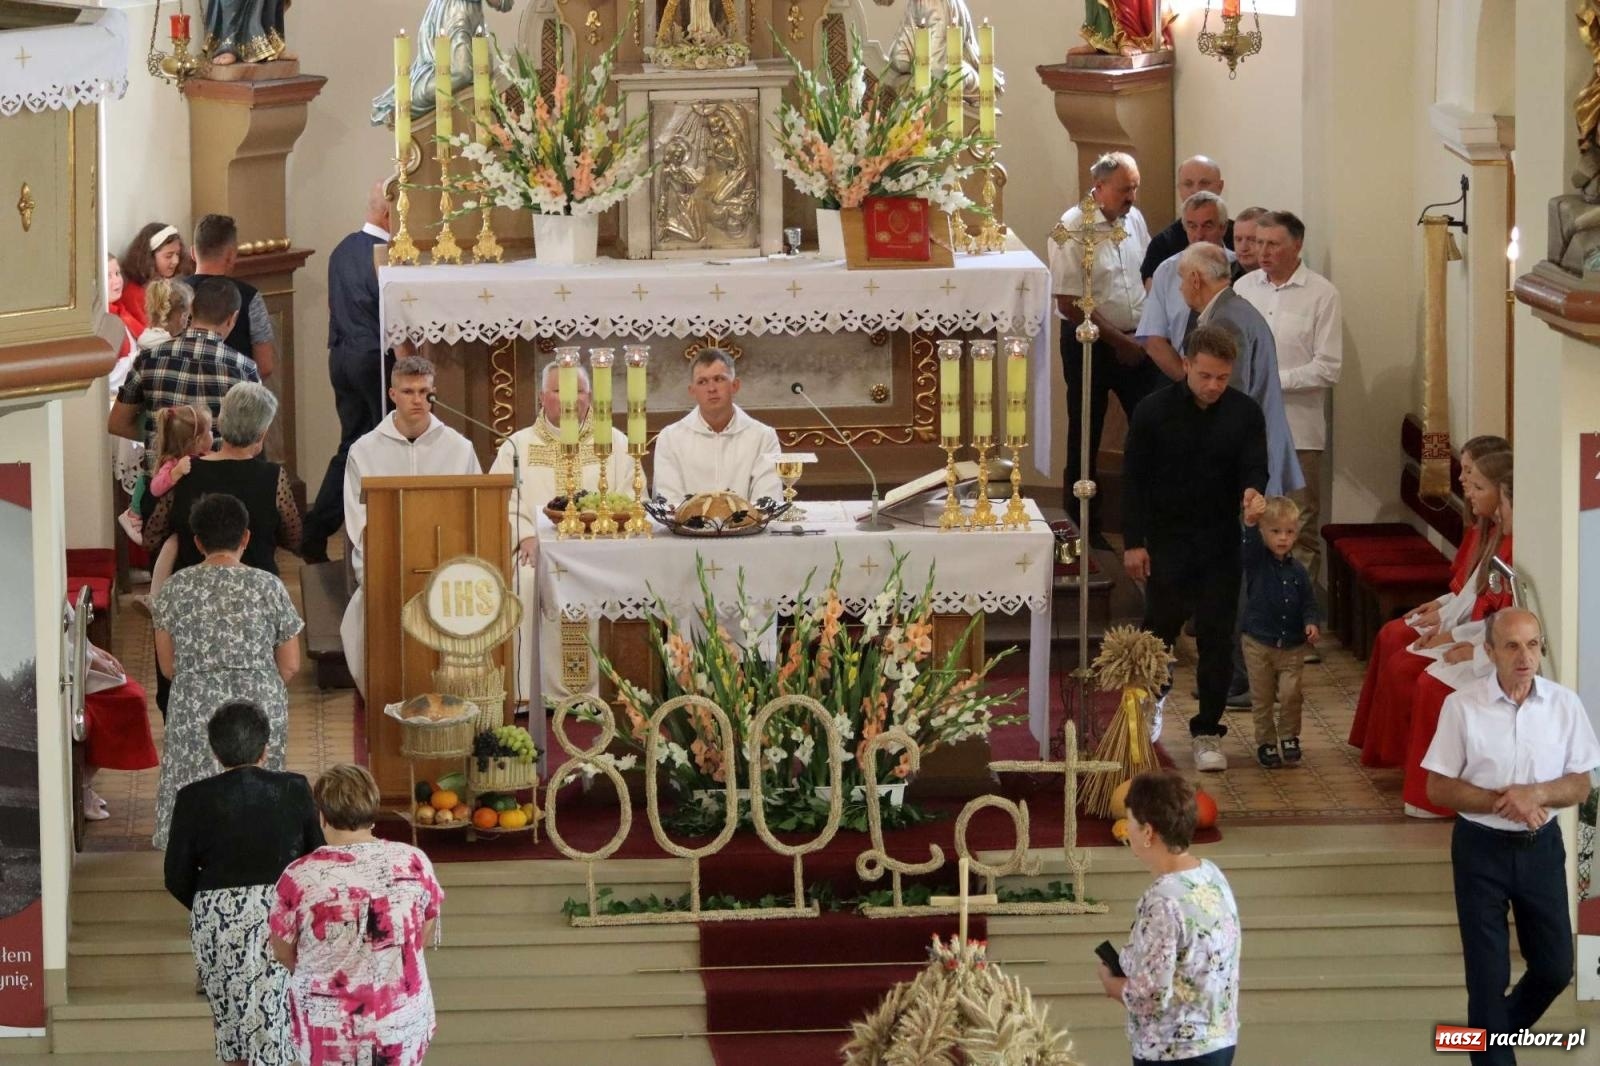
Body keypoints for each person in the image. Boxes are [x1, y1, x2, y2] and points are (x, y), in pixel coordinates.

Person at [1422, 608, 1600, 1066]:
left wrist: (1535, 794)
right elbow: (1437, 787)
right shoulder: (1461, 706)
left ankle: (1487, 1040)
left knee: (1555, 967)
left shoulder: (1564, 705)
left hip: (1541, 850)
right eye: (1512, 646)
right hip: (1480, 849)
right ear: (1489, 652)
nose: (1525, 657)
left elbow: (1581, 784)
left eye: (1533, 645)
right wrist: (1505, 802)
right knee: (1487, 978)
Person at [1122, 325, 1267, 772]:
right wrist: (1133, 543)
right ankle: (1147, 712)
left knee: (1217, 638)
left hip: (1220, 542)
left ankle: (1207, 731)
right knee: (1158, 633)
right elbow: (1133, 482)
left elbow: (1255, 466)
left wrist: (1253, 493)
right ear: (1186, 365)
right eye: (1205, 375)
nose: (1214, 386)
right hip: (1167, 540)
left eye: (1222, 377)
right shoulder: (1152, 411)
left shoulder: (1245, 413)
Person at [164, 700, 322, 1066]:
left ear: (215, 751)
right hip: (280, 914)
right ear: (266, 747)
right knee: (280, 1022)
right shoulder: (294, 787)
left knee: (232, 1026)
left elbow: (175, 875)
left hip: (218, 919)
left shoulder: (192, 798)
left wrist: (210, 903)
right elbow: (315, 858)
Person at [151, 493, 303, 848]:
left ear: (197, 542)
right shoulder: (269, 585)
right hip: (258, 703)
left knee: (194, 790)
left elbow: (168, 666)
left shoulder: (175, 588)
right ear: (246, 537)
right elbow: (291, 664)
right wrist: (256, 681)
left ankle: (196, 855)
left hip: (194, 703)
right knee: (259, 787)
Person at [1349, 445, 1513, 768]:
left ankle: (1415, 765)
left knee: (1409, 664)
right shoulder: (1488, 532)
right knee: (1393, 638)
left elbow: (1492, 613)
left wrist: (1450, 635)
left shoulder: (1509, 544)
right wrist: (1440, 609)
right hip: (1468, 631)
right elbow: (1468, 594)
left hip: (1479, 642)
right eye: (1465, 473)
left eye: (1474, 479)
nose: (1464, 483)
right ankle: (1386, 749)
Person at [269, 764, 444, 1066]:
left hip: (329, 1029)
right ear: (373, 809)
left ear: (322, 816)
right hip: (399, 1022)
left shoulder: (298, 877)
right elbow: (422, 932)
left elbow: (283, 951)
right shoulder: (414, 862)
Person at [489, 360, 632, 703]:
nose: (570, 399)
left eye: (578, 391)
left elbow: (628, 498)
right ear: (542, 397)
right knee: (523, 583)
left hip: (600, 551)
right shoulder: (517, 446)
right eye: (559, 390)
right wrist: (525, 535)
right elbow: (501, 502)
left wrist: (605, 535)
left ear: (590, 397)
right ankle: (529, 693)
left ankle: (607, 692)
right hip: (537, 552)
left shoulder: (614, 443)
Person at [339, 357, 481, 694]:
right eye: (408, 391)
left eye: (423, 392)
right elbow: (359, 521)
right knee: (373, 599)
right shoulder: (365, 450)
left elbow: (475, 508)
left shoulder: (459, 448)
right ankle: (385, 689)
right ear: (392, 394)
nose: (417, 399)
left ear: (434, 393)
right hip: (387, 557)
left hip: (446, 558)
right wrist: (391, 555)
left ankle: (450, 690)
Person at [1049, 151, 1158, 549]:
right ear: (1098, 187)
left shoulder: (1134, 219)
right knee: (1085, 434)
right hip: (1089, 344)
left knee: (1151, 428)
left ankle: (1145, 526)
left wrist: (1146, 332)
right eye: (1125, 189)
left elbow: (1146, 274)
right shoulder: (1070, 228)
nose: (1132, 197)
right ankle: (1082, 529)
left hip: (1137, 341)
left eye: (1135, 188)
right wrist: (1119, 341)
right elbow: (1068, 301)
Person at [1098, 769, 1240, 1066]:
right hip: (1219, 1039)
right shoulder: (1210, 873)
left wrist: (1112, 985)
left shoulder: (1163, 899)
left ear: (1148, 832)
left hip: (1175, 1050)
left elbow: (1150, 996)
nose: (1128, 830)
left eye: (1131, 822)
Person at [1402, 461, 1516, 817]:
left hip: (1498, 657)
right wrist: (1454, 633)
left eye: (1504, 504)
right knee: (1423, 672)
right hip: (1483, 641)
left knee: (1433, 685)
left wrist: (1474, 651)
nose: (1499, 512)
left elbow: (1509, 622)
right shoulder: (1500, 540)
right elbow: (1477, 601)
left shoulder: (1520, 551)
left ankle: (1446, 797)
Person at [1235, 211, 1342, 580]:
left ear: (1297, 245)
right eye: (1258, 242)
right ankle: (1255, 604)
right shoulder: (1244, 288)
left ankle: (1296, 604)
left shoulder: (1321, 294)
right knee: (1250, 519)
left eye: (1273, 244)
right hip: (1249, 428)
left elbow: (1328, 367)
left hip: (1299, 431)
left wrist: (1271, 380)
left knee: (1298, 524)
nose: (1262, 251)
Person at [300, 181, 396, 564]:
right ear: (389, 213)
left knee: (352, 446)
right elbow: (394, 311)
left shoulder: (342, 249)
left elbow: (332, 305)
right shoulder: (387, 255)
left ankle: (316, 530)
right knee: (384, 445)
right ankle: (380, 533)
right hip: (374, 359)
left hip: (341, 356)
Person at [144, 381, 301, 577]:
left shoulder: (183, 470)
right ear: (262, 434)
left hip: (193, 588)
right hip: (256, 588)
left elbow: (152, 538)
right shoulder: (273, 476)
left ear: (221, 422)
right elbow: (293, 538)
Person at [108, 277, 260, 464]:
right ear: (232, 318)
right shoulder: (244, 368)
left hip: (163, 478)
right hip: (220, 478)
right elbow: (254, 441)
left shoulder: (149, 359)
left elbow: (117, 423)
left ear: (192, 311)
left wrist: (161, 438)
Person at [1240, 494, 1319, 768]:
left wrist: (1311, 622)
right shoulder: (1257, 562)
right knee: (1262, 697)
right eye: (1275, 531)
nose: (1283, 538)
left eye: (1289, 532)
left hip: (1292, 645)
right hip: (1258, 643)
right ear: (1263, 532)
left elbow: (1308, 602)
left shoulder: (1298, 571)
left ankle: (1288, 736)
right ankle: (1266, 741)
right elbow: (1249, 547)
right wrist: (1250, 523)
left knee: (1290, 693)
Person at [652, 348, 782, 506]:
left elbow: (767, 499)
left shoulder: (763, 437)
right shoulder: (670, 438)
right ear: (692, 391)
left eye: (719, 379)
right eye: (702, 382)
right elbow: (669, 501)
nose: (711, 389)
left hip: (748, 523)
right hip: (687, 523)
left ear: (735, 385)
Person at [1136, 192, 1237, 380]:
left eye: (1208, 226)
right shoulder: (1167, 271)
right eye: (1192, 226)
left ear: (1223, 228)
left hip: (1231, 380)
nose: (1199, 235)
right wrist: (1190, 383)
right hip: (1179, 376)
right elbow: (1152, 339)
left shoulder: (1239, 269)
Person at [124, 403, 213, 593]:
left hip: (195, 518)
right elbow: (155, 488)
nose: (213, 436)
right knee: (170, 549)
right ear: (198, 440)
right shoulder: (172, 463)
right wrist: (175, 473)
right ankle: (156, 595)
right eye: (209, 432)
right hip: (172, 524)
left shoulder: (207, 457)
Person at [184, 213, 276, 378]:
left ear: (192, 252)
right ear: (231, 255)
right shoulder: (250, 298)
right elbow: (265, 366)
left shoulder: (174, 293)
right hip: (236, 389)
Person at [1139, 156, 1233, 285]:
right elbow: (1154, 292)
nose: (1196, 190)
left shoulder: (1239, 236)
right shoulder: (1162, 244)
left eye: (1204, 183)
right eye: (1188, 184)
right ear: (1179, 188)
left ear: (1220, 186)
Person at [119, 222, 186, 338]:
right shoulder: (133, 294)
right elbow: (145, 336)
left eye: (178, 254)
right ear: (149, 257)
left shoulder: (172, 285)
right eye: (169, 256)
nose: (176, 261)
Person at [1230, 206, 1269, 277]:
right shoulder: (1220, 276)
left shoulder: (1286, 275)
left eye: (1252, 240)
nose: (1243, 248)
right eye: (1238, 239)